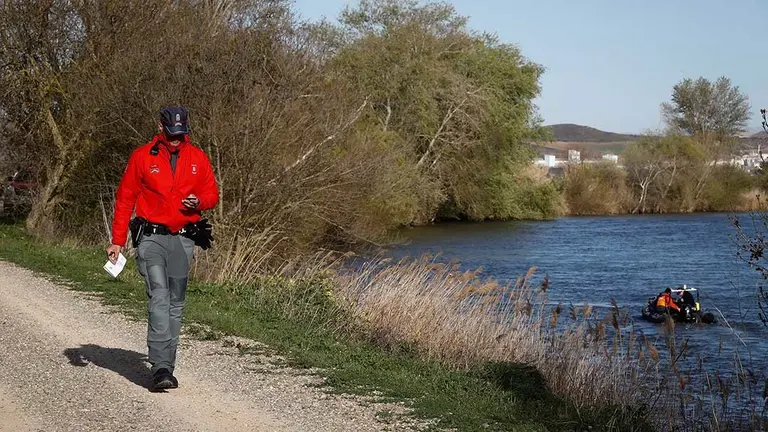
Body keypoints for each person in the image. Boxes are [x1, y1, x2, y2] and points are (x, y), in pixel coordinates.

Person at [106, 106, 218, 392]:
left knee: (176, 302)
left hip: (182, 240)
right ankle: (159, 368)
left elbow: (212, 194)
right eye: (172, 134)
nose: (176, 139)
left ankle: (168, 363)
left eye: (181, 134)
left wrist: (200, 203)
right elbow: (124, 199)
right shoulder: (142, 157)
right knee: (159, 295)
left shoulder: (198, 158)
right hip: (151, 238)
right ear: (161, 128)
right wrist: (117, 240)